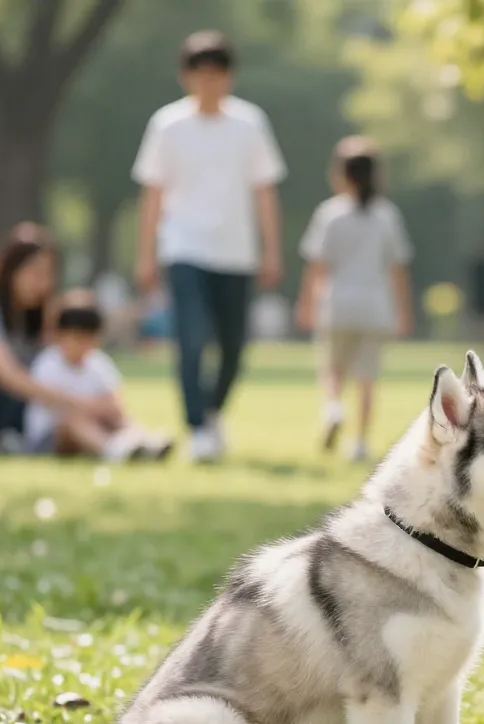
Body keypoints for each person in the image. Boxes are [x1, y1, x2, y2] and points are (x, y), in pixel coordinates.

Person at [132, 29, 287, 463]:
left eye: (217, 75)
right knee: (192, 336)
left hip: (235, 251)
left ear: (230, 77)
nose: (209, 84)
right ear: (186, 76)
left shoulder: (249, 124)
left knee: (235, 345)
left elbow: (264, 191)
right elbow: (153, 194)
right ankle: (197, 426)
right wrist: (145, 254)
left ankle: (213, 410)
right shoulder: (167, 125)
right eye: (201, 75)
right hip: (184, 247)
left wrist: (271, 250)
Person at [0, 224, 110, 454]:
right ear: (11, 270)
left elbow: (55, 361)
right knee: (11, 384)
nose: (43, 283)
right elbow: (10, 378)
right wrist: (79, 404)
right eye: (36, 273)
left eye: (49, 275)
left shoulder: (25, 315)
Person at [294, 135, 414, 462]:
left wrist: (306, 303)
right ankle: (359, 441)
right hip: (375, 307)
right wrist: (403, 310)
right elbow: (397, 269)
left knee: (332, 369)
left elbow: (317, 266)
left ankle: (333, 408)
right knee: (367, 378)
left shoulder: (330, 214)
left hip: (338, 304)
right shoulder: (387, 216)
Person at [24, 296, 173, 462]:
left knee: (119, 420)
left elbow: (115, 405)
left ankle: (145, 443)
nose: (82, 346)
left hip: (95, 424)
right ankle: (111, 450)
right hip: (50, 437)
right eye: (77, 338)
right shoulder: (48, 363)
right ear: (60, 336)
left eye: (88, 339)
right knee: (72, 420)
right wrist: (94, 406)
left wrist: (95, 408)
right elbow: (60, 404)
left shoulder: (98, 363)